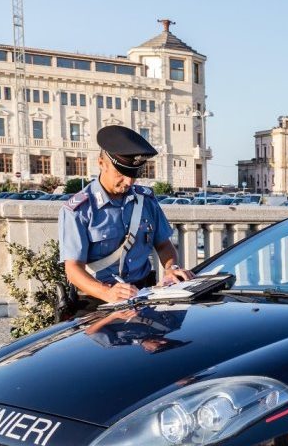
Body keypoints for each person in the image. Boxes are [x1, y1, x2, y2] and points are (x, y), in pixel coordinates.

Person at [58, 126, 193, 309]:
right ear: (101, 163)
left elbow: (164, 245)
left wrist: (171, 269)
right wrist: (108, 293)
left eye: (133, 175)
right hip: (98, 300)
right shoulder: (80, 209)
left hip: (143, 295)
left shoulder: (145, 201)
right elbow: (73, 269)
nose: (128, 182)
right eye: (121, 174)